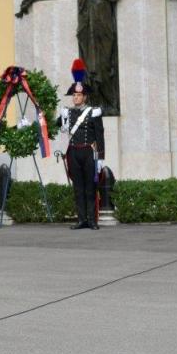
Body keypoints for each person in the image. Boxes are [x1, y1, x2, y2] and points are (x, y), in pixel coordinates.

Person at [16, 0, 177, 115]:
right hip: (85, 31)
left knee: (105, 66)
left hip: (104, 30)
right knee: (88, 68)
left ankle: (110, 103)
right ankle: (94, 101)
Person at [58, 59, 105, 230]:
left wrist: (101, 158)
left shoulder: (93, 112)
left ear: (85, 97)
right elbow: (56, 126)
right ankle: (81, 219)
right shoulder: (67, 113)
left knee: (90, 187)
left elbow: (99, 135)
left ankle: (92, 220)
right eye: (74, 95)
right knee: (78, 188)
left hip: (88, 152)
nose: (76, 97)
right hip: (73, 153)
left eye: (78, 95)